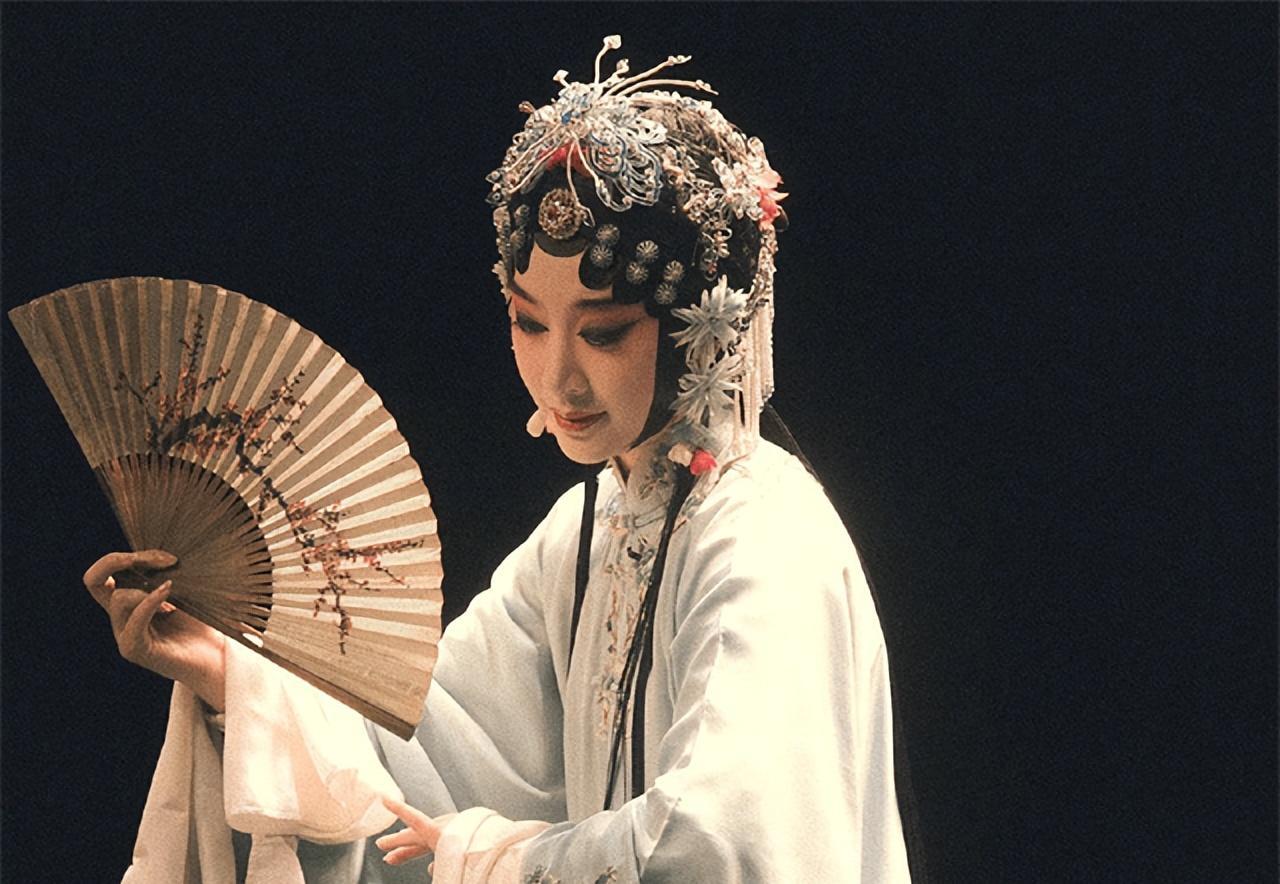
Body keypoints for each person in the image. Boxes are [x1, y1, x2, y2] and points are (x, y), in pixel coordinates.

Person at [86, 37, 915, 882]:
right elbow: (421, 747)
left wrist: (493, 856)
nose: (559, 377)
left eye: (602, 332)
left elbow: (725, 846)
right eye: (529, 322)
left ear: (701, 323)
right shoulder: (587, 531)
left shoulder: (765, 539)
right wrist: (229, 674)